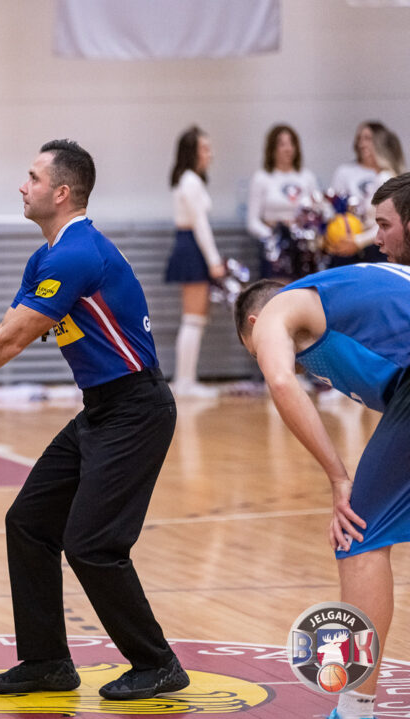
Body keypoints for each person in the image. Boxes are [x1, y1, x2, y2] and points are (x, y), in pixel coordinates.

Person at [0, 140, 189, 701]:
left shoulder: (78, 254)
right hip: (100, 409)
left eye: (32, 177)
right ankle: (47, 662)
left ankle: (158, 663)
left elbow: (10, 341)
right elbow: (5, 333)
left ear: (61, 193)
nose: (21, 186)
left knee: (92, 544)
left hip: (136, 410)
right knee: (28, 522)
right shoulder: (46, 257)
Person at [233, 181, 410, 718]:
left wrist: (338, 478)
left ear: (255, 325)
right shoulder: (365, 291)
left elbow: (281, 383)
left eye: (255, 350)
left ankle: (354, 709)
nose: (376, 236)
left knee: (358, 534)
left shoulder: (278, 312)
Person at [164, 126, 224, 399]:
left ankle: (186, 380)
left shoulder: (191, 180)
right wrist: (214, 261)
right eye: (205, 148)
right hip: (191, 247)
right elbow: (200, 224)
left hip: (190, 246)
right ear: (192, 152)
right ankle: (185, 382)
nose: (210, 154)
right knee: (193, 319)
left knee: (195, 319)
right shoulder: (190, 181)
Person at [246, 124, 321, 278]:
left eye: (291, 143)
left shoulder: (307, 177)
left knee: (304, 288)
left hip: (303, 248)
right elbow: (252, 221)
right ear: (272, 149)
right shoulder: (262, 178)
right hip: (275, 246)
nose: (288, 149)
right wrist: (273, 235)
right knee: (278, 289)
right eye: (282, 144)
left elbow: (318, 212)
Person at [329, 121, 406, 264]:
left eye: (368, 139)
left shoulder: (385, 178)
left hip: (379, 251)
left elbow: (388, 223)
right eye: (359, 139)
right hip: (371, 246)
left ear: (380, 145)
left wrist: (357, 242)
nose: (362, 144)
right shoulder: (379, 177)